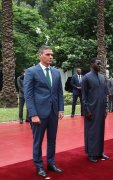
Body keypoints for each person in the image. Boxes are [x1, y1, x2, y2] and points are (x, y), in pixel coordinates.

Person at [24, 45, 64, 177]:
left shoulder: (56, 72)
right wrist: (33, 114)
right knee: (38, 141)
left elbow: (59, 93)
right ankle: (39, 166)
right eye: (48, 54)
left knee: (52, 140)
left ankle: (51, 163)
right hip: (39, 114)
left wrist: (61, 109)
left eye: (52, 55)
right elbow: (28, 95)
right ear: (40, 55)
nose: (51, 57)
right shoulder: (31, 71)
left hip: (53, 112)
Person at [81, 57, 109, 163]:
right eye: (98, 63)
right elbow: (84, 96)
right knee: (92, 131)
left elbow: (105, 93)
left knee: (100, 131)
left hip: (101, 109)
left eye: (100, 63)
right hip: (91, 109)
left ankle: (100, 152)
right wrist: (87, 110)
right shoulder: (86, 78)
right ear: (92, 64)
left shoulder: (102, 78)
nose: (99, 65)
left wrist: (106, 107)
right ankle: (91, 154)